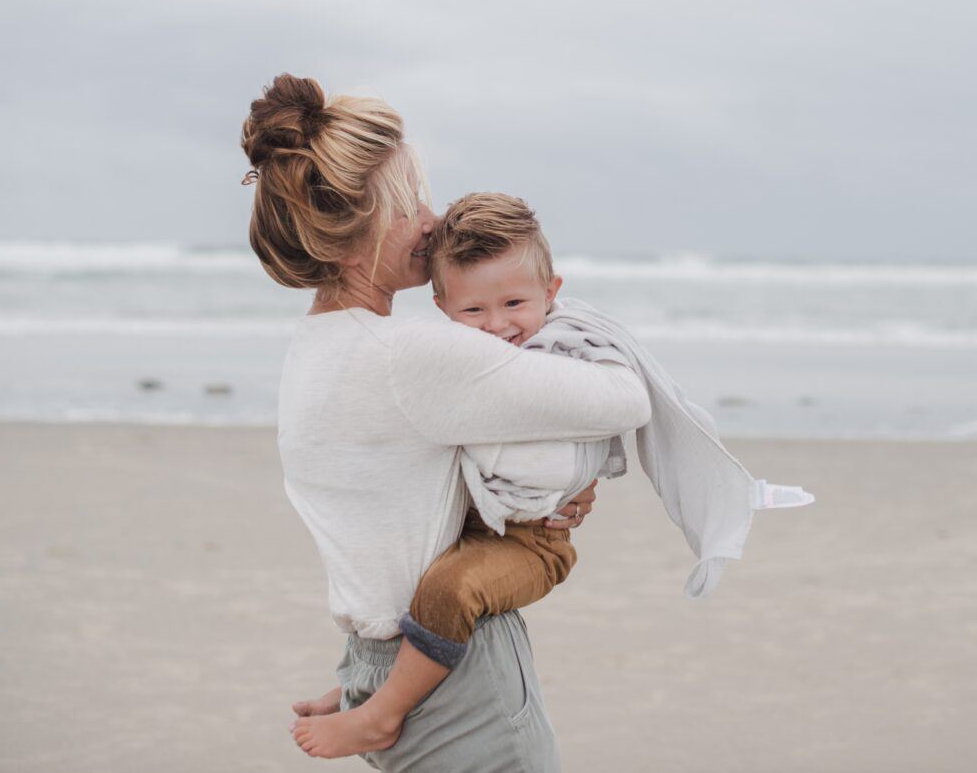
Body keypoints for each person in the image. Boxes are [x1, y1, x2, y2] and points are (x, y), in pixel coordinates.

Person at [290, 191, 815, 760]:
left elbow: (610, 415)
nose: (498, 326)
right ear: (443, 307)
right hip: (481, 530)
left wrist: (562, 489)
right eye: (474, 311)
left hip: (533, 542)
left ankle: (383, 713)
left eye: (515, 302)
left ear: (552, 293)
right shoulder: (454, 360)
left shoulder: (566, 352)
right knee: (423, 584)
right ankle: (365, 690)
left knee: (448, 590)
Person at [239, 74, 650, 773]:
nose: (431, 221)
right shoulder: (413, 354)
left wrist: (363, 684)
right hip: (459, 681)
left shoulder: (313, 350)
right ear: (352, 239)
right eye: (409, 204)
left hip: (376, 658)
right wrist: (571, 477)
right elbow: (625, 400)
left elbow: (387, 508)